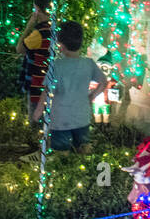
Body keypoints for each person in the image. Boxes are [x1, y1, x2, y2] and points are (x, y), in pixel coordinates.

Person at [29, 20, 108, 154]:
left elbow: (47, 91)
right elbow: (103, 81)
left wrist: (37, 112)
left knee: (61, 153)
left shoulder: (57, 65)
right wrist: (92, 96)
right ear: (81, 42)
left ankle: (62, 170)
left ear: (61, 45)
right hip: (82, 118)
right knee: (83, 150)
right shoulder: (88, 63)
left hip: (60, 120)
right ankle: (83, 171)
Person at [16, 0, 54, 117]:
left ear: (37, 9)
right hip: (51, 85)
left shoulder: (39, 33)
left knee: (35, 122)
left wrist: (28, 26)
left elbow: (20, 48)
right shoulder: (54, 30)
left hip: (37, 86)